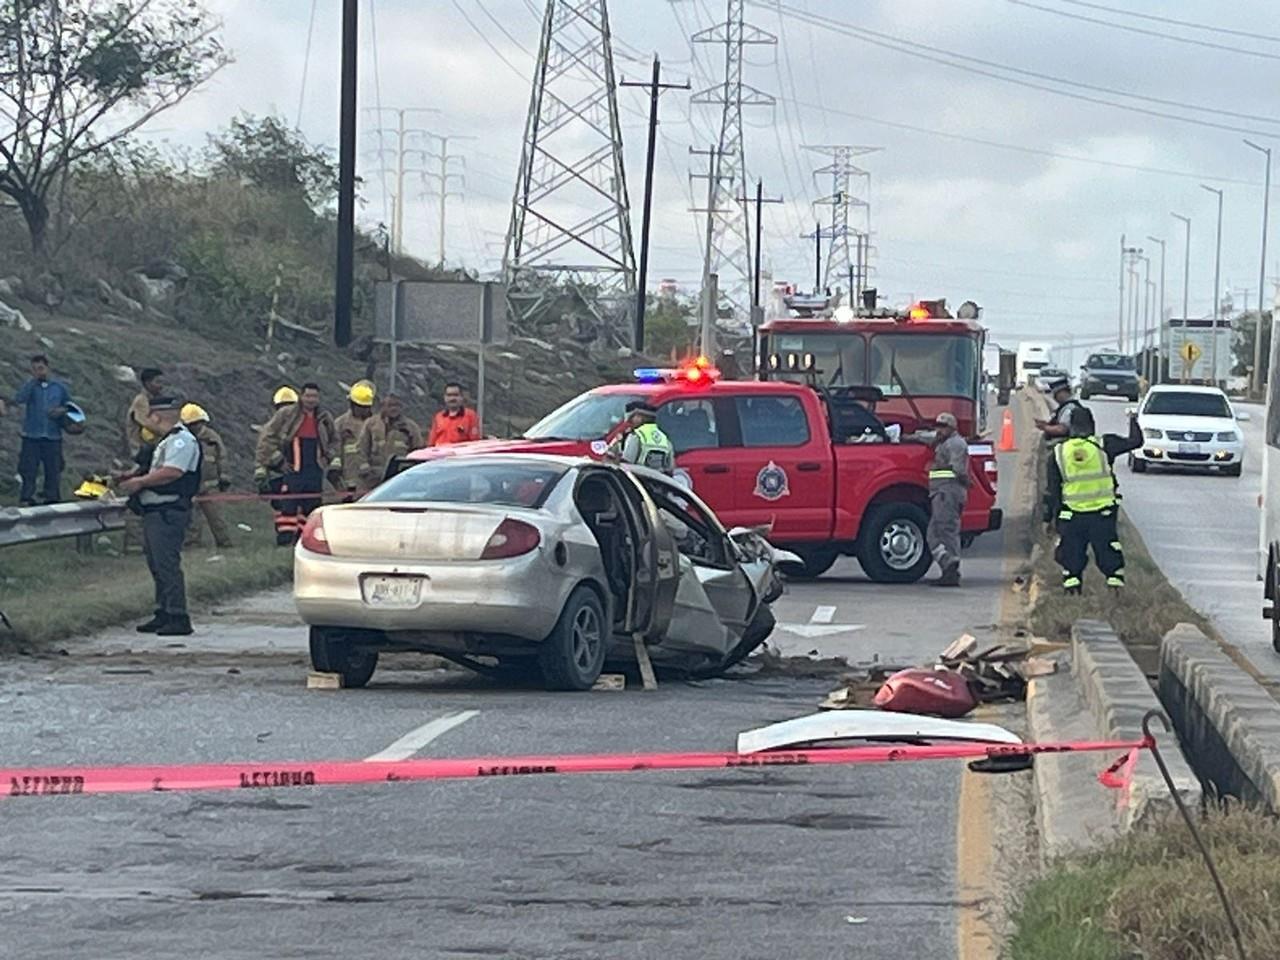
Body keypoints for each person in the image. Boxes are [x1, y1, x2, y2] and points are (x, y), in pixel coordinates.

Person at [117, 397, 203, 636]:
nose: (150, 422)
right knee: (156, 563)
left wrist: (140, 482)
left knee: (167, 564)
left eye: (152, 416)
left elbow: (172, 472)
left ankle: (177, 615)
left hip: (168, 511)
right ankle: (163, 611)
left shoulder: (181, 441)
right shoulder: (165, 441)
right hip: (155, 510)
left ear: (162, 416)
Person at [1047, 406, 1142, 594]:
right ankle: (1115, 590)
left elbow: (1052, 491)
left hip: (1072, 515)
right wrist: (1133, 419)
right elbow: (1136, 442)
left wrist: (1050, 519)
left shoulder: (1058, 453)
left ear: (1070, 427)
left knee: (1071, 555)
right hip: (1102, 514)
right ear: (1092, 425)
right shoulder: (1104, 444)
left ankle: (1072, 593)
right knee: (1108, 551)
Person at [255, 382, 337, 546]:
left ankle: (304, 540)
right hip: (293, 468)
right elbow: (267, 437)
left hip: (314, 469)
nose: (311, 400)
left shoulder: (324, 417)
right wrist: (278, 460)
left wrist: (329, 456)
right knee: (288, 507)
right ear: (301, 396)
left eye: (314, 396)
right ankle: (285, 541)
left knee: (311, 506)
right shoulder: (287, 414)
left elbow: (335, 440)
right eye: (308, 396)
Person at [7, 355, 74, 506]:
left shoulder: (59, 387)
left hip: (53, 436)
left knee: (53, 469)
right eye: (35, 369)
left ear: (47, 368)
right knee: (29, 469)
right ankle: (27, 497)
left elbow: (71, 407)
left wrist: (61, 411)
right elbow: (19, 399)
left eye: (41, 368)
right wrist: (32, 382)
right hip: (32, 435)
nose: (39, 372)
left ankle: (51, 497)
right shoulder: (30, 386)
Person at [180, 403, 233, 549]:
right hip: (190, 486)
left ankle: (225, 543)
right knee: (192, 519)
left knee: (217, 518)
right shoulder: (182, 438)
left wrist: (225, 477)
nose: (194, 427)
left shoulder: (212, 437)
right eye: (191, 424)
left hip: (210, 486)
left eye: (196, 423)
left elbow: (222, 457)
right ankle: (192, 545)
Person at [926, 411, 969, 587]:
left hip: (948, 492)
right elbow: (925, 438)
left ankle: (951, 569)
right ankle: (947, 563)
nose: (939, 430)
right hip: (940, 492)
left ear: (952, 428)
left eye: (943, 427)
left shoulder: (956, 444)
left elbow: (958, 469)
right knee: (933, 534)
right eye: (938, 426)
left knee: (946, 530)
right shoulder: (943, 442)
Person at [357, 393, 423, 489]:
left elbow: (418, 451)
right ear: (383, 406)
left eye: (397, 405)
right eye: (390, 405)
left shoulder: (411, 427)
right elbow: (361, 447)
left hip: (400, 476)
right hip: (374, 476)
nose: (394, 408)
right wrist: (365, 468)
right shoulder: (371, 424)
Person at [332, 380, 376, 497]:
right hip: (349, 473)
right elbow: (334, 448)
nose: (364, 410)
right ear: (352, 404)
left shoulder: (377, 423)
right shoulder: (341, 423)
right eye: (360, 407)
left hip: (372, 475)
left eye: (366, 407)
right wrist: (335, 469)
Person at [606, 400, 675, 473]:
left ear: (639, 417)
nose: (630, 422)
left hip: (637, 480)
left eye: (631, 418)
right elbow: (670, 468)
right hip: (657, 482)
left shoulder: (636, 435)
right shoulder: (664, 439)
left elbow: (626, 464)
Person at [126, 368, 166, 457]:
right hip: (141, 449)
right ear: (148, 383)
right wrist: (168, 432)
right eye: (158, 382)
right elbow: (148, 423)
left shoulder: (154, 400)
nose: (161, 386)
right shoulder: (141, 401)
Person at [427, 382, 480, 446]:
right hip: (440, 454)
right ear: (445, 397)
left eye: (455, 395)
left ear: (461, 397)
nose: (452, 398)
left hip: (460, 454)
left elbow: (474, 442)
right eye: (449, 395)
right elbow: (431, 442)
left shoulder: (470, 416)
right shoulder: (438, 417)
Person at [1035, 377, 1083, 442]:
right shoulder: (1075, 406)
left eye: (1055, 395)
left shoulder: (1069, 408)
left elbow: (1062, 429)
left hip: (1069, 445)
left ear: (1061, 393)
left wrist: (1045, 427)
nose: (1055, 398)